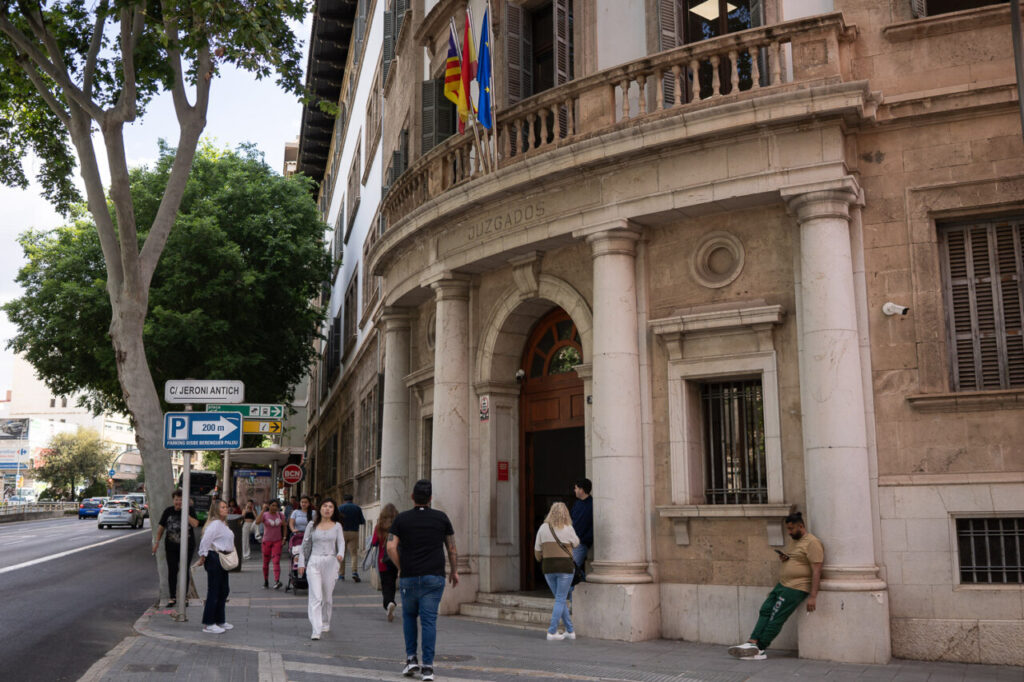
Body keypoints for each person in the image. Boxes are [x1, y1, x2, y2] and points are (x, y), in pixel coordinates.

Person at [387, 479, 458, 682]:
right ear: (430, 498)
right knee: (429, 621)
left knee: (409, 617)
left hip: (409, 577)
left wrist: (401, 567)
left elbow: (391, 547)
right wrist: (454, 571)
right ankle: (427, 667)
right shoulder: (441, 518)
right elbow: (452, 548)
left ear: (412, 497)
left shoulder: (401, 519)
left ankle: (411, 659)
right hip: (434, 577)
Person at [728, 511, 824, 661]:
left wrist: (813, 596)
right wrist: (785, 558)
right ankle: (752, 642)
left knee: (776, 616)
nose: (789, 532)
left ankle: (760, 649)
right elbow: (796, 559)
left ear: (801, 526)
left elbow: (817, 570)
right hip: (783, 584)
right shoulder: (795, 541)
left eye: (791, 529)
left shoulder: (812, 543)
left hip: (796, 588)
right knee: (765, 609)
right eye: (788, 529)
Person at [297, 498, 345, 640]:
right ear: (320, 509)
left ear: (334, 510)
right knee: (316, 596)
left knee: (327, 597)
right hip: (314, 561)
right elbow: (304, 545)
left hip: (331, 562)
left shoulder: (337, 526)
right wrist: (301, 563)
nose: (327, 509)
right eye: (325, 506)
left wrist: (340, 555)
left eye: (331, 507)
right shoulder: (312, 525)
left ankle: (325, 621)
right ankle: (316, 628)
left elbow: (341, 543)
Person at [534, 501, 579, 641]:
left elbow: (537, 550)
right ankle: (552, 631)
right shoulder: (568, 528)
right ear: (565, 513)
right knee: (561, 599)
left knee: (559, 599)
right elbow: (577, 543)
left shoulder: (542, 528)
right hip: (565, 567)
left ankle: (570, 631)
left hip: (548, 567)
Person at [152, 489, 199, 608]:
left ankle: (185, 597)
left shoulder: (190, 510)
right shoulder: (168, 511)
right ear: (173, 500)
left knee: (184, 570)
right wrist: (157, 542)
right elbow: (161, 527)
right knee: (172, 570)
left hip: (187, 546)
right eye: (176, 499)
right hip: (171, 546)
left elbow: (195, 524)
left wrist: (185, 513)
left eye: (181, 499)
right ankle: (172, 597)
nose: (178, 502)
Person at [197, 499, 235, 634]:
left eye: (226, 507)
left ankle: (220, 620)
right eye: (223, 507)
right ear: (217, 510)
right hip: (214, 558)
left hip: (221, 558)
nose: (226, 509)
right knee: (214, 590)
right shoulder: (215, 524)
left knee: (223, 590)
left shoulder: (223, 524)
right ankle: (209, 623)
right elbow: (205, 540)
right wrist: (203, 555)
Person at [370, 503, 399, 621]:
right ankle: (391, 601)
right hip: (396, 558)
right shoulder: (398, 526)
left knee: (385, 584)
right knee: (392, 583)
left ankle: (388, 604)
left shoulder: (379, 526)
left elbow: (374, 542)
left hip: (383, 560)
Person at [256, 499, 286, 588]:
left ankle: (277, 581)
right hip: (266, 542)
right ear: (269, 506)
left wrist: (284, 538)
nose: (274, 507)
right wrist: (262, 510)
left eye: (276, 506)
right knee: (266, 563)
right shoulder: (265, 515)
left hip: (277, 541)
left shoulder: (280, 515)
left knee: (276, 561)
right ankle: (266, 581)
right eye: (272, 505)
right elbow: (257, 522)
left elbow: (284, 526)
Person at [337, 493, 366, 582]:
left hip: (342, 532)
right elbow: (362, 521)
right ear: (352, 499)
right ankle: (354, 572)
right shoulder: (357, 508)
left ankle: (341, 575)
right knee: (354, 554)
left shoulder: (340, 508)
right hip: (354, 532)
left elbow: (336, 520)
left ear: (344, 500)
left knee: (342, 553)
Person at [570, 478, 593, 583]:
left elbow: (593, 526)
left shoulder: (592, 504)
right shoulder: (577, 504)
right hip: (571, 543)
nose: (574, 490)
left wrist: (584, 539)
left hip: (581, 543)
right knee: (570, 569)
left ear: (581, 490)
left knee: (570, 569)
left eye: (576, 488)